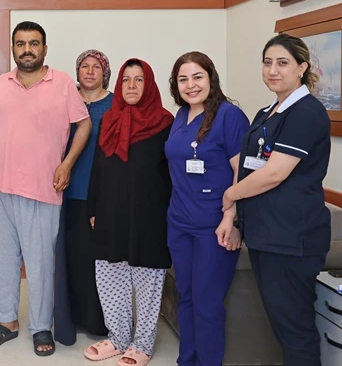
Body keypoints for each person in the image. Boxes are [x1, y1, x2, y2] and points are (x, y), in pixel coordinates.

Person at [0, 21, 91, 357]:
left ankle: (41, 326)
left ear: (44, 48)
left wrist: (67, 163)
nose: (27, 49)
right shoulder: (3, 82)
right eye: (20, 43)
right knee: (1, 259)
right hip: (2, 186)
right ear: (13, 48)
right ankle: (6, 321)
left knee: (40, 263)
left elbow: (84, 124)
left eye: (34, 43)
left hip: (43, 188)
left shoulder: (63, 83)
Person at [222, 34, 331, 366]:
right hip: (266, 235)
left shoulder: (306, 112)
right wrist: (235, 217)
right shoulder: (267, 112)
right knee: (283, 325)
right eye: (267, 62)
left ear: (302, 68)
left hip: (291, 237)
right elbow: (248, 165)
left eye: (282, 63)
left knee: (295, 328)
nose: (272, 70)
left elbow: (274, 173)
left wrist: (230, 195)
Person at [84, 58, 174, 366]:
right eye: (126, 79)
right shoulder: (109, 119)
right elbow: (98, 167)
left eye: (139, 80)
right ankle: (118, 337)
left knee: (147, 281)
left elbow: (172, 174)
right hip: (110, 210)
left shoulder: (165, 123)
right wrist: (93, 208)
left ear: (149, 85)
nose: (132, 86)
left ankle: (143, 344)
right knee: (110, 276)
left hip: (150, 214)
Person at [164, 51, 249, 366]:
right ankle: (187, 361)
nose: (191, 85)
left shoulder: (229, 116)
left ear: (211, 78)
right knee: (186, 297)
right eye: (183, 79)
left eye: (197, 77)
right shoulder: (180, 116)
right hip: (179, 222)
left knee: (207, 303)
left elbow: (243, 173)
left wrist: (232, 218)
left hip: (214, 226)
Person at [54, 50, 113, 345]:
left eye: (96, 67)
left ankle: (97, 321)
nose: (90, 71)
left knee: (97, 260)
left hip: (100, 194)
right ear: (77, 72)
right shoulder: (64, 99)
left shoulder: (115, 105)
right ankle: (70, 318)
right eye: (84, 67)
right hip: (65, 191)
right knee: (69, 258)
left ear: (105, 73)